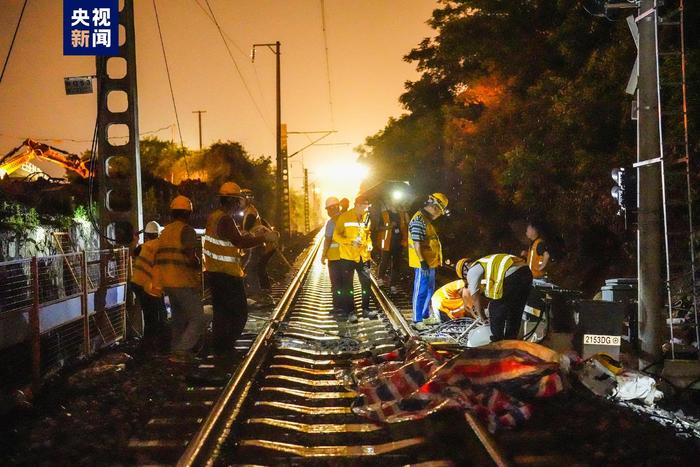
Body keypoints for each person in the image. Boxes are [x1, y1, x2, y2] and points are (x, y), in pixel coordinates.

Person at [203, 182, 278, 355]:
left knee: (221, 314)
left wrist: (251, 235)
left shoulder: (214, 217)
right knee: (239, 314)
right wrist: (264, 238)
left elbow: (232, 239)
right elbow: (240, 242)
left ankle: (220, 348)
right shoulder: (226, 219)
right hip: (227, 275)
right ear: (231, 200)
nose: (238, 204)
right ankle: (226, 346)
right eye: (237, 200)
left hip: (215, 272)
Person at [155, 196, 204, 363]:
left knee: (179, 319)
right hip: (182, 280)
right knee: (198, 317)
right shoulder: (187, 230)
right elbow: (191, 258)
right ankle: (182, 350)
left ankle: (175, 351)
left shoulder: (165, 231)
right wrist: (198, 264)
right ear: (188, 213)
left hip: (167, 281)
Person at [456, 254, 533, 342]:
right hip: (526, 272)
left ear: (465, 271)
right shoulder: (486, 262)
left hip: (512, 274)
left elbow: (475, 297)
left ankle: (497, 340)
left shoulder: (472, 270)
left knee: (495, 308)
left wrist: (483, 317)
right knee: (515, 311)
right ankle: (510, 341)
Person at [332, 196, 376, 322]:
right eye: (364, 206)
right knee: (348, 286)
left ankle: (366, 309)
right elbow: (336, 235)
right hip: (348, 256)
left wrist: (369, 243)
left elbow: (368, 234)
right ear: (356, 205)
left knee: (366, 284)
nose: (366, 208)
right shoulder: (344, 217)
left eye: (367, 206)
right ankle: (351, 312)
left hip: (363, 256)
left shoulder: (367, 217)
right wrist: (349, 242)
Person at [408, 193, 448, 329]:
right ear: (435, 207)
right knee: (421, 290)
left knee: (429, 290)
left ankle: (425, 316)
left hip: (430, 263)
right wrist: (422, 262)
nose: (439, 215)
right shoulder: (419, 220)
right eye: (440, 211)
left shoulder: (426, 220)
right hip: (423, 264)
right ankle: (417, 320)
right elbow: (416, 243)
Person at [131, 220, 167, 350]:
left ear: (146, 235)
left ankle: (148, 344)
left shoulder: (144, 247)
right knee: (154, 317)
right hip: (149, 287)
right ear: (158, 234)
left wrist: (135, 240)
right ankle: (152, 345)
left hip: (137, 283)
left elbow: (133, 252)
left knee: (149, 315)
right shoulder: (160, 245)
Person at [240, 188, 276, 296]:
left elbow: (246, 231)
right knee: (256, 268)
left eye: (240, 200)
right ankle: (263, 290)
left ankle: (257, 294)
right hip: (257, 244)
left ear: (246, 200)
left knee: (251, 269)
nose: (238, 203)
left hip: (256, 245)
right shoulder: (250, 211)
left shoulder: (250, 213)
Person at [377, 200, 409, 293]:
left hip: (399, 243)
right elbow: (378, 228)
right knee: (384, 262)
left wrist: (405, 212)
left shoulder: (402, 214)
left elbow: (407, 224)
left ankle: (393, 285)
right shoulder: (384, 214)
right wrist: (390, 226)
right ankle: (380, 279)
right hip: (387, 243)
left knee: (396, 265)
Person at [321, 196, 342, 312]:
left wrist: (323, 255)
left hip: (334, 258)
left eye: (328, 209)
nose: (328, 212)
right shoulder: (346, 219)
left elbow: (328, 240)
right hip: (347, 257)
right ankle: (348, 307)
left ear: (331, 209)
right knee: (346, 283)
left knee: (336, 284)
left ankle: (338, 307)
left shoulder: (331, 223)